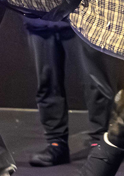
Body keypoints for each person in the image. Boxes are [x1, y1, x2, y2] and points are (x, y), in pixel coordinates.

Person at [23, 17, 113, 166]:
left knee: (94, 83)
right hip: (38, 20)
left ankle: (101, 144)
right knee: (47, 84)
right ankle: (56, 144)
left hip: (80, 20)